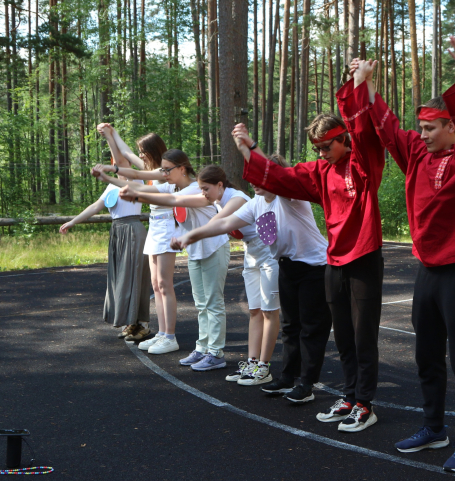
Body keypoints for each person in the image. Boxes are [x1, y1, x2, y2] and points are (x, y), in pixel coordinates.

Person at [347, 49, 455, 471]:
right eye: (422, 127)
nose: (424, 134)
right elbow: (386, 124)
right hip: (427, 273)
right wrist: (365, 82)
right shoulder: (415, 153)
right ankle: (434, 428)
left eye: (432, 128)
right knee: (427, 355)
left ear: (451, 128)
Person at [233, 75, 385, 433]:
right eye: (315, 148)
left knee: (363, 336)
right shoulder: (319, 171)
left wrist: (360, 87)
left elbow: (366, 133)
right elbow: (281, 177)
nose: (320, 154)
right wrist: (248, 149)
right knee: (344, 336)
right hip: (334, 262)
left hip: (363, 258)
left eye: (325, 147)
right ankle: (349, 395)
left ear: (343, 139)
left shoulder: (363, 166)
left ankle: (365, 403)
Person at [175, 152, 333, 404]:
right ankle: (287, 378)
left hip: (315, 266)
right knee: (291, 328)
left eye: (263, 177)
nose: (255, 183)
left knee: (310, 328)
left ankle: (306, 383)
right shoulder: (256, 203)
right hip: (288, 266)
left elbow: (287, 183)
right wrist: (190, 236)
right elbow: (223, 224)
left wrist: (250, 147)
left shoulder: (291, 197)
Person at [124, 163, 281, 386]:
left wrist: (189, 237)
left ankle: (245, 361)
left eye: (205, 189)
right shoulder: (216, 198)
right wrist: (139, 197)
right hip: (250, 252)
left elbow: (221, 222)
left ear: (219, 185)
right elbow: (174, 201)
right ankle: (248, 361)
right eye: (201, 189)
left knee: (264, 310)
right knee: (252, 310)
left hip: (264, 251)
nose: (202, 193)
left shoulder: (237, 199)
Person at [93, 152, 231, 371]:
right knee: (201, 304)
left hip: (214, 247)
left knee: (213, 303)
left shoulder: (197, 188)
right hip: (195, 249)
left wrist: (137, 197)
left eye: (167, 170)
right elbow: (141, 185)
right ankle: (203, 347)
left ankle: (216, 352)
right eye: (163, 170)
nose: (163, 174)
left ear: (182, 168)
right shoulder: (172, 186)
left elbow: (173, 201)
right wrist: (108, 179)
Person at [96, 124, 171, 345]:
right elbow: (126, 154)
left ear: (152, 152)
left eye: (143, 152)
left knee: (159, 284)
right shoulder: (151, 169)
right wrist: (113, 134)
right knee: (155, 284)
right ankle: (151, 328)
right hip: (155, 228)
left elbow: (127, 165)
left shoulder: (162, 172)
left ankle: (160, 331)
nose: (139, 155)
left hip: (164, 229)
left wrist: (111, 171)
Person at [60, 173, 151, 341]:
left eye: (118, 162)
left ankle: (143, 324)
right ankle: (130, 322)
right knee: (120, 279)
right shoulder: (112, 186)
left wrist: (115, 148)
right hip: (117, 232)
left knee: (135, 277)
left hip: (132, 231)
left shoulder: (135, 180)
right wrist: (73, 221)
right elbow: (95, 206)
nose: (115, 166)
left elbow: (123, 155)